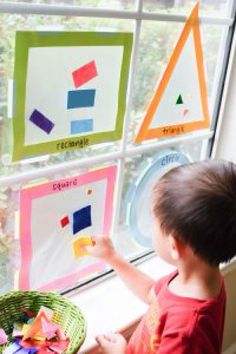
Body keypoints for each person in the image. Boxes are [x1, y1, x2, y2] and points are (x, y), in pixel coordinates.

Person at [85, 160, 236, 354]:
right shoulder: (198, 277)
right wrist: (112, 257)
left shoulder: (187, 333)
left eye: (154, 221)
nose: (152, 228)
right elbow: (151, 293)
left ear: (174, 246)